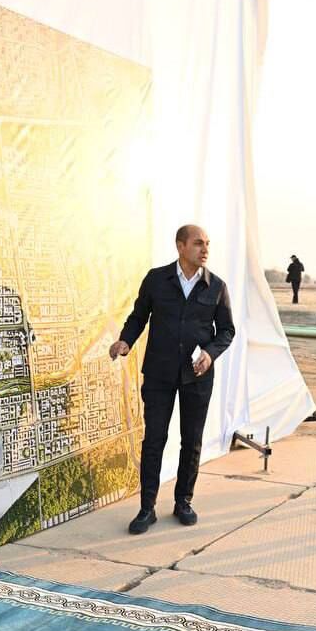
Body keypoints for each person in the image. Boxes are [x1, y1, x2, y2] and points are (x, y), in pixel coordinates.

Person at [110, 225, 235, 535]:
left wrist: (210, 353)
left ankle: (183, 502)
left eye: (207, 244)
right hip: (159, 373)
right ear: (180, 246)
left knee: (191, 442)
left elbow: (227, 331)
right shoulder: (156, 279)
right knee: (154, 440)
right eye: (198, 243)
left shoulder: (216, 286)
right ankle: (147, 508)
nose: (205, 249)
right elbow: (138, 317)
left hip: (197, 376)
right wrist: (125, 341)